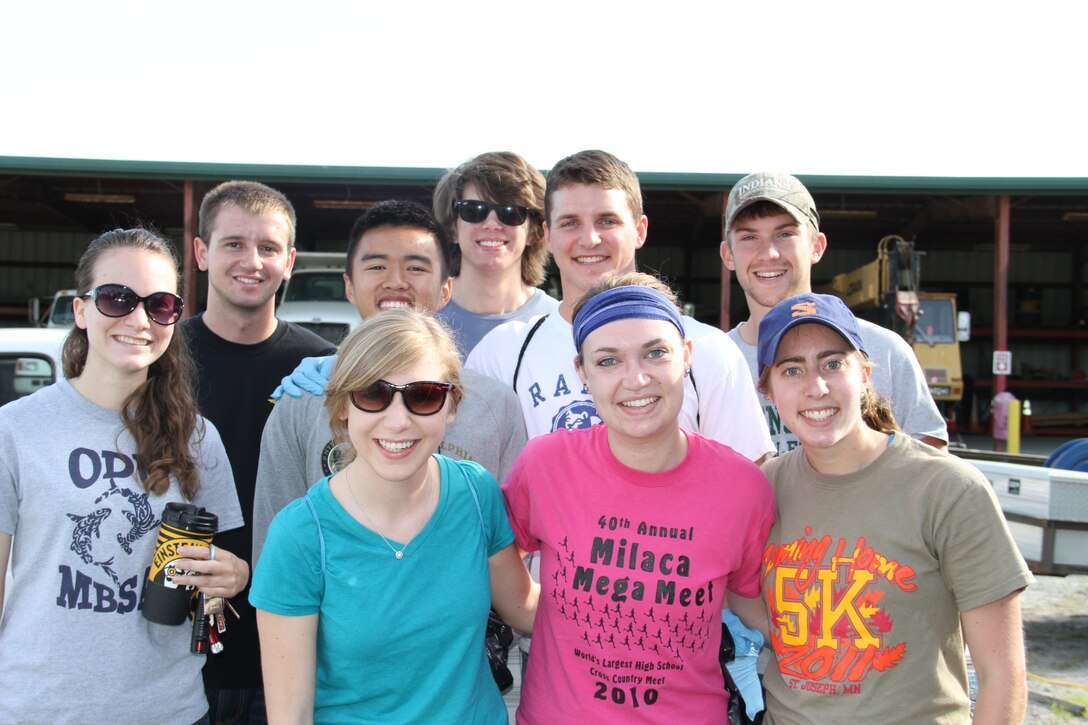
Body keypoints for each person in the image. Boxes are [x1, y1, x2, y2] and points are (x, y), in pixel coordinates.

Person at [0, 228, 248, 724]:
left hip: (168, 710)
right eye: (117, 298)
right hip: (38, 709)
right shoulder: (15, 429)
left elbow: (224, 568)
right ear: (81, 310)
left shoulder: (199, 437)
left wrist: (235, 575)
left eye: (159, 305)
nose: (139, 319)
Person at [502, 273, 775, 724]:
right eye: (608, 361)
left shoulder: (743, 487)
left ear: (687, 357)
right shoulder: (545, 465)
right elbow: (499, 551)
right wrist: (541, 616)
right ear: (582, 374)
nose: (637, 378)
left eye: (655, 353)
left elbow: (751, 600)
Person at [756, 292, 1032, 724]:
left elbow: (1002, 676)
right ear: (769, 391)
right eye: (792, 370)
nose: (817, 387)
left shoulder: (947, 491)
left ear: (865, 374)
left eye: (833, 364)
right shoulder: (761, 493)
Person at [250, 308, 536, 724]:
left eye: (424, 395)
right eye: (373, 394)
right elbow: (290, 716)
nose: (398, 421)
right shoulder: (300, 537)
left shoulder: (476, 492)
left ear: (452, 406)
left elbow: (526, 607)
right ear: (343, 405)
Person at [252, 200, 527, 563]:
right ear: (349, 286)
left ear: (446, 289)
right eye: (377, 265)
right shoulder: (301, 401)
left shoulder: (495, 406)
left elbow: (509, 552)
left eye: (415, 267)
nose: (396, 281)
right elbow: (276, 554)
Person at [466, 150, 773, 462]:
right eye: (570, 223)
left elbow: (745, 482)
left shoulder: (709, 350)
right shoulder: (501, 355)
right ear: (547, 235)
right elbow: (474, 481)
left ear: (639, 231)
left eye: (607, 220)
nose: (590, 239)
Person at [184, 181, 336, 722]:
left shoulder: (325, 371)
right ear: (202, 252)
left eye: (269, 248)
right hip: (175, 655)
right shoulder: (159, 363)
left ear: (289, 261)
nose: (252, 261)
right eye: (233, 244)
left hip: (293, 652)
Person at [720, 171, 948, 454]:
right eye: (749, 237)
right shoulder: (712, 362)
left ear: (817, 247)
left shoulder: (882, 350)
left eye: (785, 234)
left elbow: (931, 460)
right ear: (728, 255)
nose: (769, 253)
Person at [432, 151, 559, 358]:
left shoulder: (561, 323)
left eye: (510, 212)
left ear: (534, 231)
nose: (491, 224)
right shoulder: (422, 319)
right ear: (453, 228)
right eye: (474, 210)